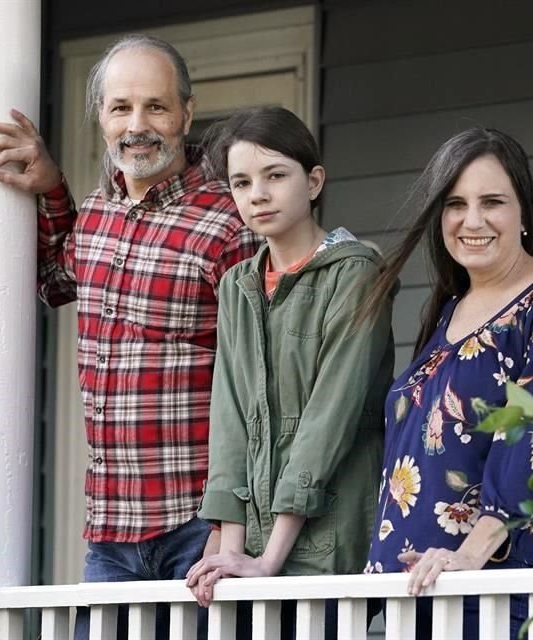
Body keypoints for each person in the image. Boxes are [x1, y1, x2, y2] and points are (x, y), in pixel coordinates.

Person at [0, 34, 261, 639]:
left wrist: (233, 523)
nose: (139, 125)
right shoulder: (99, 215)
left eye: (156, 107)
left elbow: (264, 382)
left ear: (186, 111)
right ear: (100, 119)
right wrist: (52, 189)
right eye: (121, 108)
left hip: (199, 531)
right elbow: (54, 281)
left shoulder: (230, 221)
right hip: (110, 535)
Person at [360, 128, 533, 639]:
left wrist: (468, 555)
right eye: (455, 204)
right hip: (414, 593)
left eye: (492, 201)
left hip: (487, 591)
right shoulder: (448, 312)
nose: (472, 220)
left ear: (523, 213)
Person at [184, 107, 395, 635]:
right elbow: (229, 420)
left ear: (314, 181)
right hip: (252, 547)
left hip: (330, 536)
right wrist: (231, 551)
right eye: (241, 182)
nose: (258, 193)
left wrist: (269, 558)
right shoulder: (238, 286)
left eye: (276, 175)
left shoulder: (356, 273)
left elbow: (330, 421)